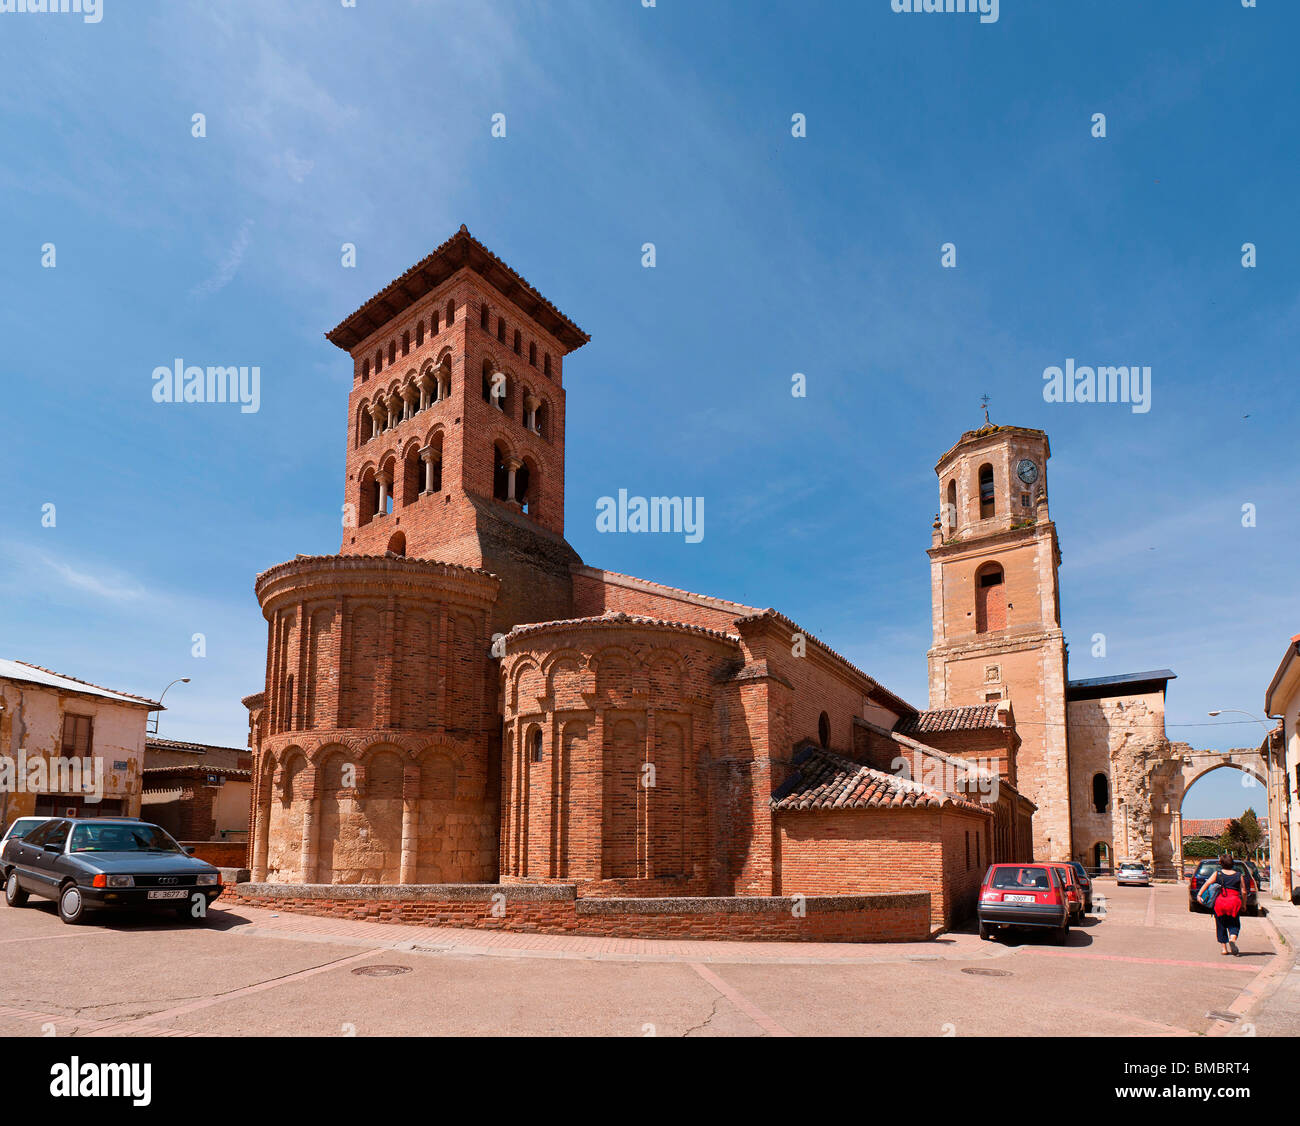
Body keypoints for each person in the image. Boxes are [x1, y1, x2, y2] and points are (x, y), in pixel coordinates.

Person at [1201, 855, 1248, 956]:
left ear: (1221, 863)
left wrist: (1199, 895)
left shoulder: (1217, 874)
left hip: (1220, 902)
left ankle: (1224, 949)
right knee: (1234, 924)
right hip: (1234, 902)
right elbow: (1244, 891)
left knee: (1221, 924)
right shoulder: (1239, 875)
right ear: (1232, 864)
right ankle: (1232, 939)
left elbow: (1207, 884)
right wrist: (1244, 904)